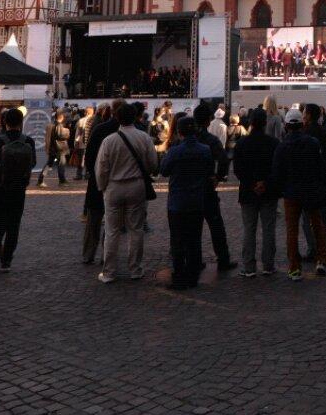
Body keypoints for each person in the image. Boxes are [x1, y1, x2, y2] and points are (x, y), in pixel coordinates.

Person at [94, 102, 157, 283]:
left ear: (117, 118)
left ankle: (109, 272)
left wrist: (103, 187)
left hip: (114, 187)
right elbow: (153, 165)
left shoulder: (109, 140)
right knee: (135, 229)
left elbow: (101, 169)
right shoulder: (144, 138)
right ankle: (135, 269)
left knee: (112, 230)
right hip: (136, 186)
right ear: (136, 117)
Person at [0, 109, 37, 276]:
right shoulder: (29, 141)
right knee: (13, 226)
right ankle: (6, 261)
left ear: (4, 122)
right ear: (21, 121)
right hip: (18, 190)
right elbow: (32, 164)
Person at [272, 111, 326, 280]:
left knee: (292, 229)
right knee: (317, 225)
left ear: (287, 126)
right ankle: (321, 259)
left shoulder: (282, 146)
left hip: (291, 192)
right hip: (311, 190)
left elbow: (277, 172)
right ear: (302, 125)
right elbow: (321, 167)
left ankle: (294, 268)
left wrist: (281, 190)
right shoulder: (312, 143)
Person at [160, 117, 215, 289]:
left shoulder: (175, 151)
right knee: (194, 239)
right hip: (196, 200)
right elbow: (209, 170)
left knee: (177, 240)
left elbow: (164, 171)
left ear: (179, 131)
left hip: (177, 201)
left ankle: (179, 276)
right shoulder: (205, 150)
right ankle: (193, 275)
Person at [232, 108, 280, 277]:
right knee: (268, 229)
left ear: (250, 122)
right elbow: (277, 169)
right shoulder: (274, 143)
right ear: (265, 122)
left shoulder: (242, 143)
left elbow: (238, 170)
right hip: (269, 191)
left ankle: (249, 266)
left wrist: (252, 183)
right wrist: (264, 183)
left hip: (247, 191)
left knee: (249, 230)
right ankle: (268, 265)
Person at [193, 103, 237, 272]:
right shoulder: (211, 140)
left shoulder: (190, 138)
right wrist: (219, 177)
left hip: (191, 187)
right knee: (216, 225)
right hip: (207, 186)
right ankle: (223, 259)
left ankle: (194, 259)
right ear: (208, 120)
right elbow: (224, 159)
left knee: (194, 226)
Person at [80, 102, 122, 264]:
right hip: (117, 182)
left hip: (97, 181)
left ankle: (88, 254)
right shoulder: (128, 132)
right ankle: (108, 255)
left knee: (93, 220)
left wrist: (94, 173)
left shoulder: (100, 129)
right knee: (113, 223)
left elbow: (89, 157)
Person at [301, 104, 326, 263]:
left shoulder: (304, 134)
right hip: (323, 179)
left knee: (307, 218)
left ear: (308, 115)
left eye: (304, 113)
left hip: (307, 180)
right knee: (324, 217)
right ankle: (325, 246)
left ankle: (313, 249)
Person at [39, 114, 70, 188]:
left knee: (49, 164)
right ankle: (62, 181)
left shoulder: (50, 125)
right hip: (59, 148)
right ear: (62, 117)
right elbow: (61, 135)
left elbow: (48, 137)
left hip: (52, 148)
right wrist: (67, 131)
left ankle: (40, 179)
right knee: (61, 164)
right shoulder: (59, 125)